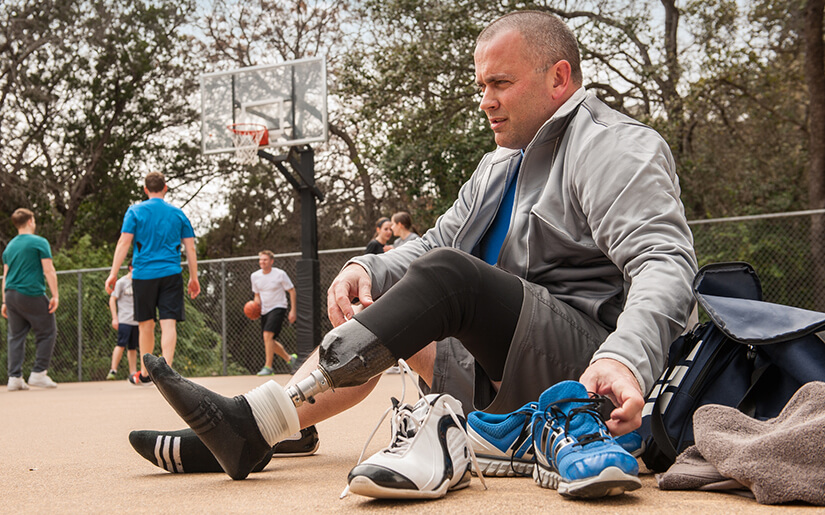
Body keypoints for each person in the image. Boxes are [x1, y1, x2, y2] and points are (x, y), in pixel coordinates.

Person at [134, 11, 697, 496]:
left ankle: (254, 424)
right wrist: (367, 266)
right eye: (480, 86)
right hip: (503, 367)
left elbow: (664, 264)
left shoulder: (614, 145)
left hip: (587, 376)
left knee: (448, 278)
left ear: (558, 78)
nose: (485, 101)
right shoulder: (498, 164)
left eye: (500, 83)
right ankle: (263, 428)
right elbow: (431, 244)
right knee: (392, 299)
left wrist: (625, 358)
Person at [105, 171, 200, 387]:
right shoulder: (178, 214)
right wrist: (193, 277)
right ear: (165, 188)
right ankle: (167, 374)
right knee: (169, 324)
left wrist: (113, 273)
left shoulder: (135, 211)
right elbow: (190, 248)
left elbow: (123, 243)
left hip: (143, 274)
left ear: (146, 189)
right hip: (171, 273)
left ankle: (147, 374)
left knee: (145, 325)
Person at [2, 208, 59, 391]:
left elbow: (5, 274)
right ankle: (39, 373)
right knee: (47, 330)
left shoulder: (10, 246)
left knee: (15, 336)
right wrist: (55, 295)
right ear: (30, 221)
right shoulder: (39, 242)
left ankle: (14, 377)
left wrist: (4, 301)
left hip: (11, 294)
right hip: (30, 292)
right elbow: (48, 270)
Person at [251, 250, 298, 375]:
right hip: (264, 310)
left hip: (278, 307)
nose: (262, 262)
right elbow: (257, 294)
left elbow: (292, 291)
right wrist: (255, 307)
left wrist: (293, 310)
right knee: (269, 340)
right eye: (261, 259)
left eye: (265, 260)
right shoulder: (255, 276)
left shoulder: (280, 274)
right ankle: (290, 358)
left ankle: (268, 367)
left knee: (267, 336)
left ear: (271, 261)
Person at [106, 262, 139, 380]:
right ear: (131, 268)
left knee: (133, 347)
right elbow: (112, 300)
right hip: (124, 319)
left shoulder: (139, 283)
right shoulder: (121, 282)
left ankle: (133, 372)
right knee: (121, 344)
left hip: (137, 320)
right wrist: (115, 318)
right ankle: (113, 370)